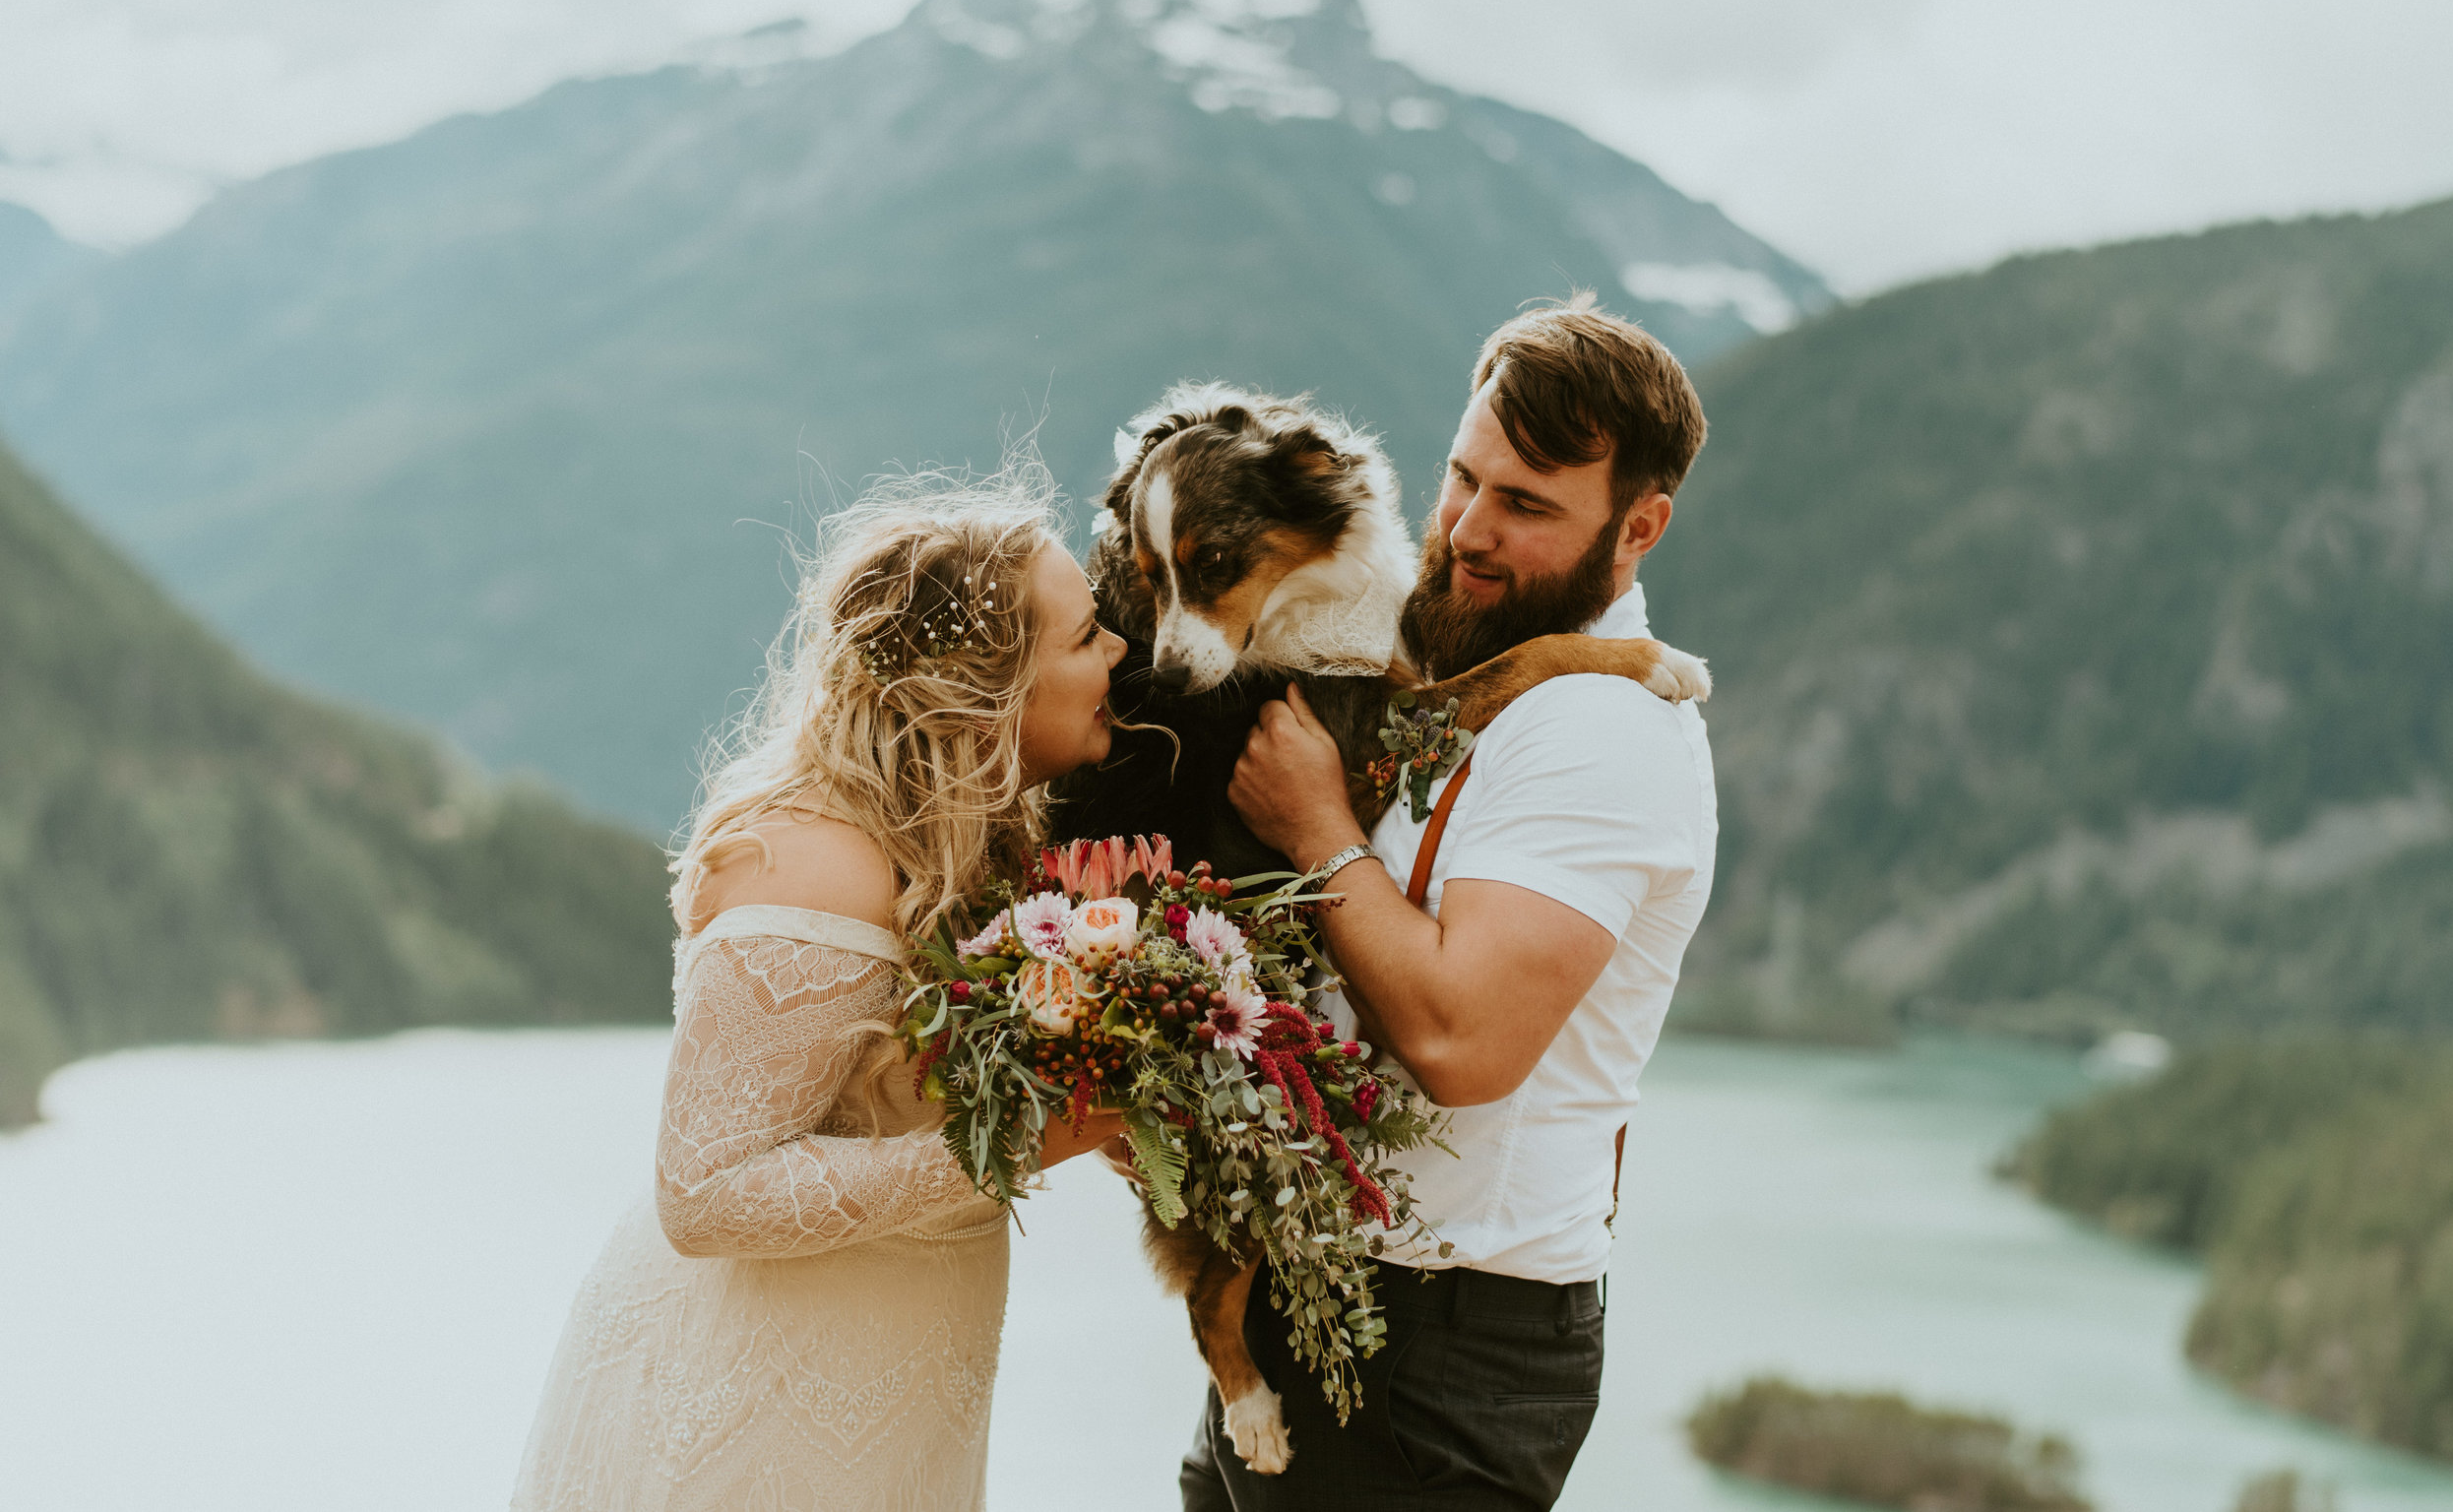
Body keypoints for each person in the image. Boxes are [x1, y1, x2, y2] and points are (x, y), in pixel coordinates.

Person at [512, 474, 1128, 1511]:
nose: (1117, 652)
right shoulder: (818, 865)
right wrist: (1022, 1143)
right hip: (760, 1416)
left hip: (890, 1400)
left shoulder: (972, 855)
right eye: (1084, 638)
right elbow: (703, 1193)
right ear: (981, 696)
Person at [1195, 296, 1719, 1510]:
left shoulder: (1601, 730)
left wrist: (1318, 825)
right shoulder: (1463, 661)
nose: (1468, 533)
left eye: (1526, 506)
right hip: (1311, 1300)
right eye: (1461, 479)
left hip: (1436, 1354)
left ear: (1640, 527)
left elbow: (1460, 1042)